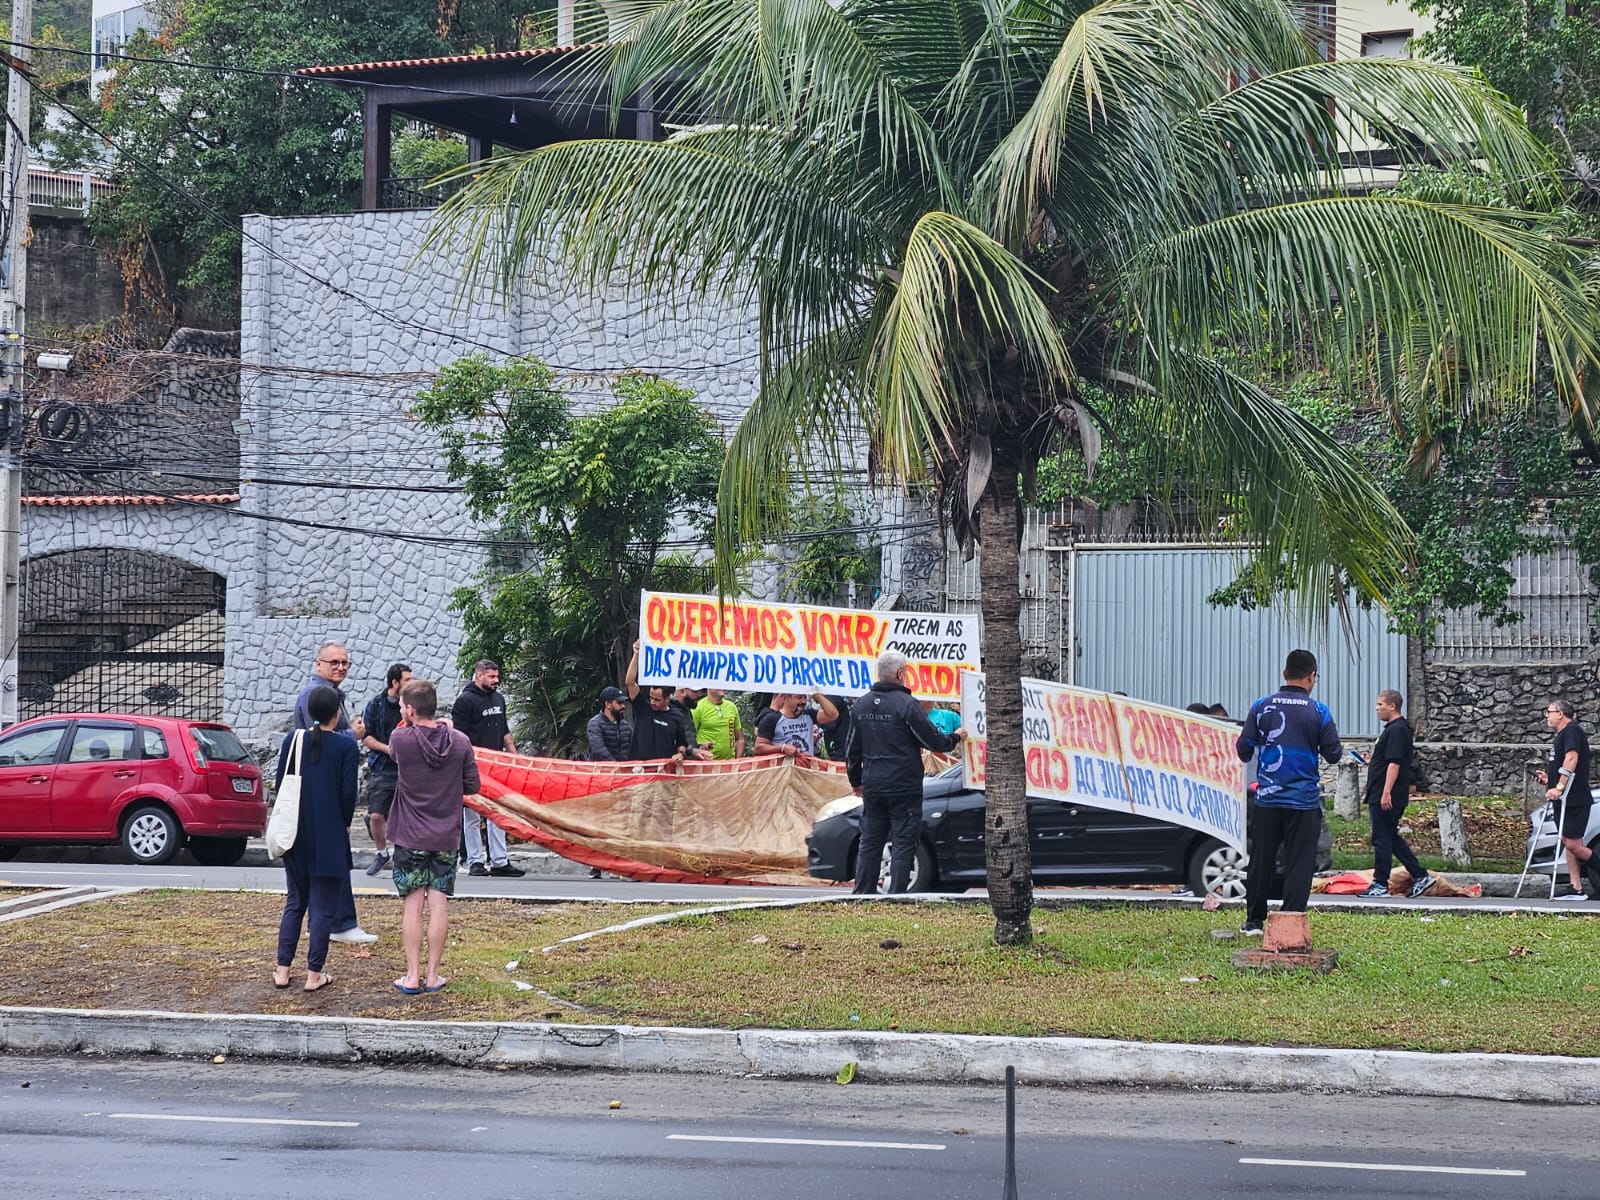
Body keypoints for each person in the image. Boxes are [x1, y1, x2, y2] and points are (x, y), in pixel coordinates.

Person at [1236, 649, 1343, 937]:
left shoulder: (1261, 707)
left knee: (1262, 859)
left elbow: (1243, 749)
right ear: (1312, 677)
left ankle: (1254, 922)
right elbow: (1334, 754)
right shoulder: (1319, 711)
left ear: (1284, 674)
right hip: (1303, 801)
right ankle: (1292, 919)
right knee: (1300, 862)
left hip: (1268, 799)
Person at [387, 680, 479, 994]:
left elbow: (396, 754)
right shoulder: (460, 741)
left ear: (410, 710)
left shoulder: (400, 739)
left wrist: (411, 721)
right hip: (446, 836)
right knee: (439, 905)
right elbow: (473, 786)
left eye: (402, 706)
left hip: (409, 836)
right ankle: (432, 976)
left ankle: (411, 977)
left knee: (413, 906)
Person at [845, 650, 963, 894]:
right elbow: (934, 741)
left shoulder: (861, 705)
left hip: (873, 786)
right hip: (904, 787)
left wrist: (856, 782)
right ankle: (897, 894)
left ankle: (862, 893)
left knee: (870, 842)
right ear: (900, 673)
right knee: (903, 842)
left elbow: (852, 752)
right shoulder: (907, 705)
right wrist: (956, 737)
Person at [271, 686, 358, 993]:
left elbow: (281, 785)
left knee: (295, 901)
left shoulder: (291, 741)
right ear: (337, 714)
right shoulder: (347, 748)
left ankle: (282, 970)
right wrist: (345, 824)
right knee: (322, 907)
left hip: (295, 832)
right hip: (330, 833)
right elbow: (349, 794)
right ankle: (313, 973)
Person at [291, 641, 377, 946]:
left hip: (318, 792)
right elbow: (315, 739)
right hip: (323, 792)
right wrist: (350, 736)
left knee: (325, 862)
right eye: (334, 662)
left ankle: (327, 921)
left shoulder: (329, 695)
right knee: (334, 859)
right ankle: (339, 922)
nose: (340, 667)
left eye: (345, 663)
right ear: (318, 664)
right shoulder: (314, 695)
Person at [450, 660, 525, 878]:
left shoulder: (498, 699)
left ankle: (499, 861)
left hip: (497, 768)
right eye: (491, 677)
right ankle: (475, 861)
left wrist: (515, 757)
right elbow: (459, 738)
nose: (496, 680)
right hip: (472, 767)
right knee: (472, 815)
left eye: (497, 676)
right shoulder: (465, 701)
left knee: (497, 813)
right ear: (479, 676)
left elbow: (505, 732)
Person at [1358, 689, 1431, 899]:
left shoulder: (1398, 730)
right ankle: (1419, 875)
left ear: (1392, 706)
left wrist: (1386, 792)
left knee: (1382, 839)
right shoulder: (1391, 730)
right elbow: (1387, 760)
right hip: (1381, 791)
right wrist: (1372, 762)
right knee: (1389, 837)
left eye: (1380, 704)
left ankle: (1380, 883)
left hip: (1386, 794)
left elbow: (1395, 762)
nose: (1377, 708)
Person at [1533, 698, 1599, 899]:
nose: (1547, 716)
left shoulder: (1572, 731)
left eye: (1549, 712)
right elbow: (1564, 765)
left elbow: (1572, 759)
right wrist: (1550, 780)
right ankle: (1576, 887)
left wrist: (1560, 787)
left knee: (1573, 845)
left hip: (1574, 798)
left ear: (1560, 713)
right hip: (1564, 798)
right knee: (1567, 841)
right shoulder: (1561, 735)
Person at [359, 662, 412, 876]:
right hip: (382, 768)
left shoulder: (410, 704)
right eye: (407, 680)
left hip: (406, 769)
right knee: (376, 816)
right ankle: (381, 852)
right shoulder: (375, 705)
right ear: (395, 682)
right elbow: (366, 737)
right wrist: (388, 749)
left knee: (404, 816)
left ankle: (402, 857)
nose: (411, 683)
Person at [755, 692, 840, 757]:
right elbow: (759, 748)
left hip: (806, 771)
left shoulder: (809, 715)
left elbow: (833, 715)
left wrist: (818, 696)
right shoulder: (772, 719)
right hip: (783, 773)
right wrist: (782, 748)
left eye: (805, 697)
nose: (803, 701)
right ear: (786, 697)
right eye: (799, 697)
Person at [692, 688, 745, 760]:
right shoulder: (698, 707)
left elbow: (740, 739)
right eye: (718, 683)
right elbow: (688, 738)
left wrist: (738, 761)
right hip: (706, 765)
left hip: (729, 765)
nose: (722, 686)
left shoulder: (731, 706)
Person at [587, 686, 632, 761]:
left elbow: (636, 747)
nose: (623, 706)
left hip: (623, 771)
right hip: (603, 771)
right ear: (608, 704)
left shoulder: (625, 725)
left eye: (623, 703)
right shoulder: (595, 724)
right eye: (619, 703)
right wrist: (615, 767)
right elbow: (598, 749)